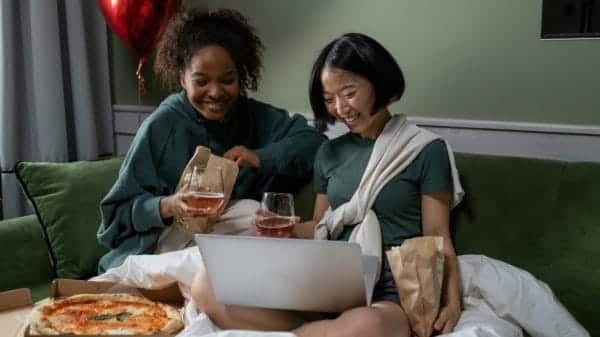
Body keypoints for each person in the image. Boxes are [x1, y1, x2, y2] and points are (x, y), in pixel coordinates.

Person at [191, 32, 464, 337]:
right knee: (205, 284)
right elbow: (322, 227)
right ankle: (319, 331)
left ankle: (308, 332)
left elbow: (439, 236)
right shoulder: (329, 152)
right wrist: (290, 230)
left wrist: (453, 304)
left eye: (349, 92)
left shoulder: (425, 150)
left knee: (368, 325)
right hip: (325, 287)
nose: (340, 108)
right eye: (329, 99)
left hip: (388, 296)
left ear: (378, 82)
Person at [97, 8, 324, 273]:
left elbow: (312, 142)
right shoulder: (163, 124)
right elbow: (115, 217)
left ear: (241, 76)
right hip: (160, 248)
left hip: (223, 242)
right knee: (212, 267)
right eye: (201, 81)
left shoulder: (250, 114)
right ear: (182, 77)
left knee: (253, 213)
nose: (216, 93)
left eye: (227, 80)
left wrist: (260, 157)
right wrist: (168, 205)